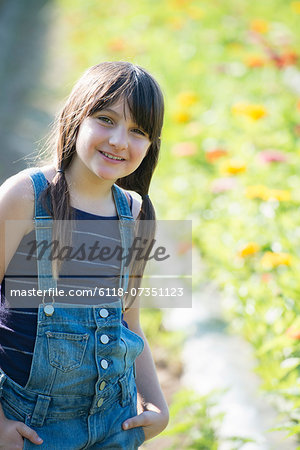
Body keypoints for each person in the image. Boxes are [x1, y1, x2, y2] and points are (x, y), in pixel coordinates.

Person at [0, 61, 169, 449]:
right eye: (106, 119)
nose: (119, 141)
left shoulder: (136, 212)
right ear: (76, 116)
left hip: (116, 422)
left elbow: (129, 318)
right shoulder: (27, 197)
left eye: (138, 131)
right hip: (32, 427)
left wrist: (157, 404)